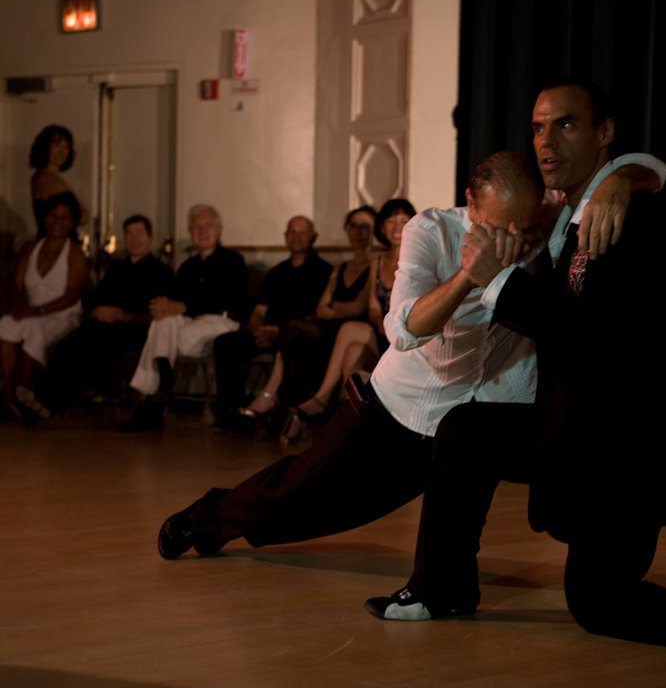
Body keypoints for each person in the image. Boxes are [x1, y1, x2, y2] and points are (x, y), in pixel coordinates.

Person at [155, 118, 663, 561]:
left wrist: (621, 178)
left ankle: (445, 589)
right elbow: (401, 330)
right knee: (298, 497)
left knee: (389, 513)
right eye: (498, 226)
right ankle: (208, 518)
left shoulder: (544, 217)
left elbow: (651, 168)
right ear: (470, 203)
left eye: (524, 228)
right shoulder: (431, 230)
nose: (514, 238)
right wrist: (473, 275)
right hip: (399, 410)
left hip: (478, 418)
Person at [366, 79, 666, 647]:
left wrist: (496, 280)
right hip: (566, 423)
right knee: (466, 431)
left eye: (566, 124)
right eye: (538, 127)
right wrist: (626, 172)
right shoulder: (564, 214)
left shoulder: (626, 218)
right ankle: (441, 588)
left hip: (622, 447)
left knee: (598, 603)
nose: (547, 141)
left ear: (604, 133)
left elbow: (594, 340)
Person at [281, 198, 416, 443]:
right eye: (391, 221)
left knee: (350, 333)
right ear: (382, 228)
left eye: (404, 221)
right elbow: (374, 307)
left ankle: (323, 402)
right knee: (351, 347)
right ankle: (350, 425)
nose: (397, 227)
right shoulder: (377, 262)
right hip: (381, 331)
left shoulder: (417, 259)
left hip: (406, 335)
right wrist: (379, 320)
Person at [239, 205, 377, 432]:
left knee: (292, 327)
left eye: (365, 227)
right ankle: (288, 413)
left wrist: (335, 307)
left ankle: (270, 395)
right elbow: (322, 309)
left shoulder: (375, 265)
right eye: (353, 226)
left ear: (374, 230)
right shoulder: (339, 268)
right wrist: (336, 309)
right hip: (327, 330)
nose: (358, 232)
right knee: (295, 340)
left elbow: (357, 308)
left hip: (353, 333)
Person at [25, 214, 175, 420]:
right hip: (104, 325)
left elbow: (158, 314)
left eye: (139, 233)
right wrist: (97, 310)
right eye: (129, 234)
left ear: (150, 237)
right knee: (67, 346)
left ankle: (51, 404)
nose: (134, 239)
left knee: (95, 351)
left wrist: (123, 316)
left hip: (134, 329)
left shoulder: (162, 273)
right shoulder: (117, 269)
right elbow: (95, 299)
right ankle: (40, 398)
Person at [121, 204, 247, 431]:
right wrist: (163, 307)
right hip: (192, 322)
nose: (202, 231)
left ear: (219, 230)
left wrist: (181, 306)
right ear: (190, 233)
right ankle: (164, 386)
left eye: (208, 225)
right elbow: (175, 301)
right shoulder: (188, 266)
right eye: (196, 227)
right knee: (163, 321)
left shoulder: (232, 261)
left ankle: (153, 399)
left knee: (161, 336)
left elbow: (226, 297)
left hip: (222, 322)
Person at [213, 215, 332, 431]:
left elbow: (320, 315)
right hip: (267, 332)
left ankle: (283, 412)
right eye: (291, 232)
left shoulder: (324, 271)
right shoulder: (276, 273)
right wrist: (258, 330)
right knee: (225, 343)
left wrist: (279, 332)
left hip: (296, 335)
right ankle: (233, 411)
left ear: (313, 237)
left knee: (296, 345)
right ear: (285, 237)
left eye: (302, 232)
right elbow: (259, 310)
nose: (296, 237)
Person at [0, 192, 88, 419]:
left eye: (63, 218)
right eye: (52, 216)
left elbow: (71, 295)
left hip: (61, 315)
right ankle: (8, 394)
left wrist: (37, 311)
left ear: (71, 223)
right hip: (31, 311)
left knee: (34, 328)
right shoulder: (30, 249)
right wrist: (17, 306)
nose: (57, 222)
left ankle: (25, 390)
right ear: (45, 218)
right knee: (6, 324)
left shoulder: (75, 254)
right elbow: (17, 284)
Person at [29, 125, 86, 239]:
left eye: (66, 147)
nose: (62, 152)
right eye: (57, 146)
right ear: (45, 147)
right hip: (54, 242)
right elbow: (77, 217)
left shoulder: (54, 177)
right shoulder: (45, 179)